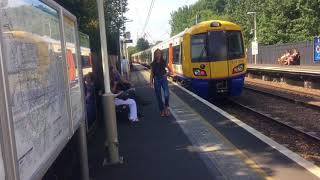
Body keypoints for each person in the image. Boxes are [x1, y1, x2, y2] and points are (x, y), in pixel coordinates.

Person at [150, 49, 172, 117]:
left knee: (166, 94)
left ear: (161, 54)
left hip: (163, 78)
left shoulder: (163, 62)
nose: (158, 54)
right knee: (158, 96)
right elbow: (151, 74)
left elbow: (170, 70)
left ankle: (166, 107)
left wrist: (167, 74)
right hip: (156, 79)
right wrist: (151, 83)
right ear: (155, 55)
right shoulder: (153, 64)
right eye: (157, 53)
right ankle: (162, 110)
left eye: (159, 53)